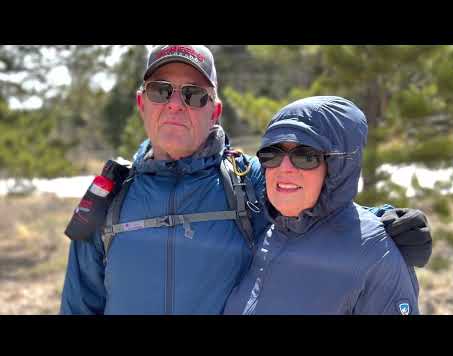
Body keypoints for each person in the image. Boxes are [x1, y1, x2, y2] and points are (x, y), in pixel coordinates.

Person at [60, 45, 430, 315]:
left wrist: (385, 222)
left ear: (215, 111)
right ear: (142, 103)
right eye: (161, 91)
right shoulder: (111, 200)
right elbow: (79, 305)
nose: (175, 104)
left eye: (193, 95)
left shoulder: (246, 181)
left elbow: (315, 203)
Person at [223, 96, 420, 315]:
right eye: (272, 154)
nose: (284, 167)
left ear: (339, 167)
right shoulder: (266, 235)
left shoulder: (375, 254)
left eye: (306, 156)